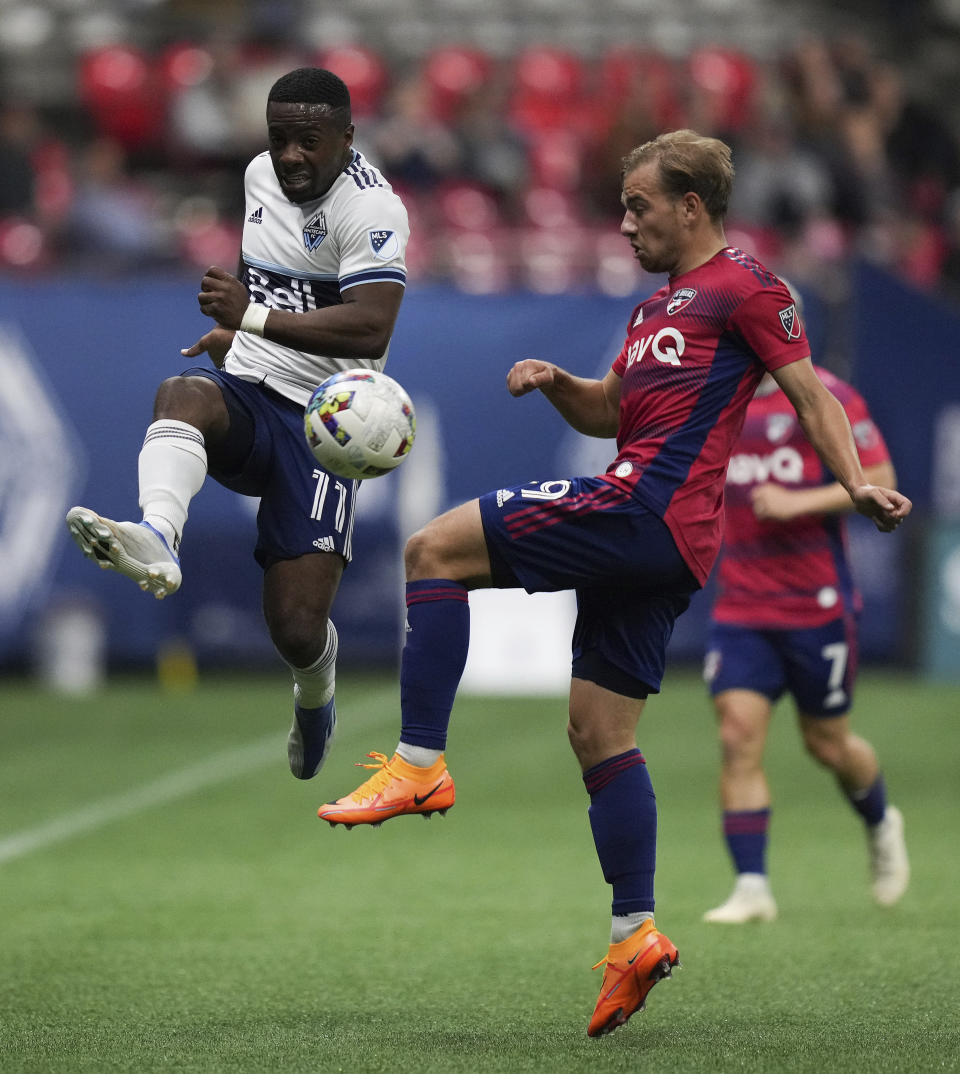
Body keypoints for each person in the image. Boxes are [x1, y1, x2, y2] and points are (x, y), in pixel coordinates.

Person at [316, 129, 911, 1038]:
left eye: (638, 205)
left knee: (433, 551)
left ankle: (420, 764)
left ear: (691, 206)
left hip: (648, 510)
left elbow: (809, 394)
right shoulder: (651, 314)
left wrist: (856, 482)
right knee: (597, 732)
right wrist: (561, 385)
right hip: (664, 539)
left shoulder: (749, 288)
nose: (624, 222)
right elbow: (610, 409)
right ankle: (634, 935)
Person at [65, 67, 410, 781]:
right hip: (253, 389)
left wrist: (249, 317)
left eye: (308, 142)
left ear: (347, 138)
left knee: (294, 627)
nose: (290, 156)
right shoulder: (258, 177)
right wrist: (242, 338)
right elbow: (272, 275)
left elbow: (372, 321)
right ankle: (158, 537)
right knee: (181, 393)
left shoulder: (373, 209)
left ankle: (316, 695)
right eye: (279, 139)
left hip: (326, 426)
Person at [702, 347, 909, 923]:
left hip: (816, 603)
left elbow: (883, 480)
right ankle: (751, 885)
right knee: (737, 735)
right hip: (742, 603)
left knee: (828, 745)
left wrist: (798, 502)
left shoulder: (830, 396)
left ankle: (880, 822)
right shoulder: (720, 398)